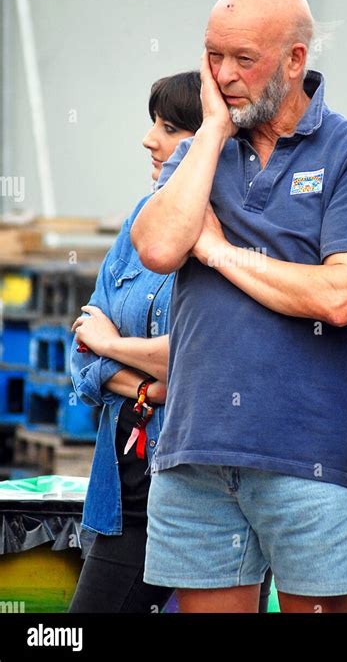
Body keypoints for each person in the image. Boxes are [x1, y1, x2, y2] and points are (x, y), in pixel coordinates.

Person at [131, 0, 347, 613]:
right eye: (212, 56)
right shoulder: (204, 151)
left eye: (243, 59)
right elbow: (158, 246)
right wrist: (211, 132)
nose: (223, 75)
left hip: (312, 457)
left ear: (294, 60)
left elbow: (340, 296)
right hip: (198, 453)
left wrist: (220, 251)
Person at [68, 72, 200, 613]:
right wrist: (153, 384)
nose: (150, 139)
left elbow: (201, 361)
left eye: (169, 128)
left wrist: (112, 346)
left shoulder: (230, 237)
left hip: (197, 492)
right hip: (122, 491)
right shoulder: (138, 221)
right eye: (154, 124)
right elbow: (81, 348)